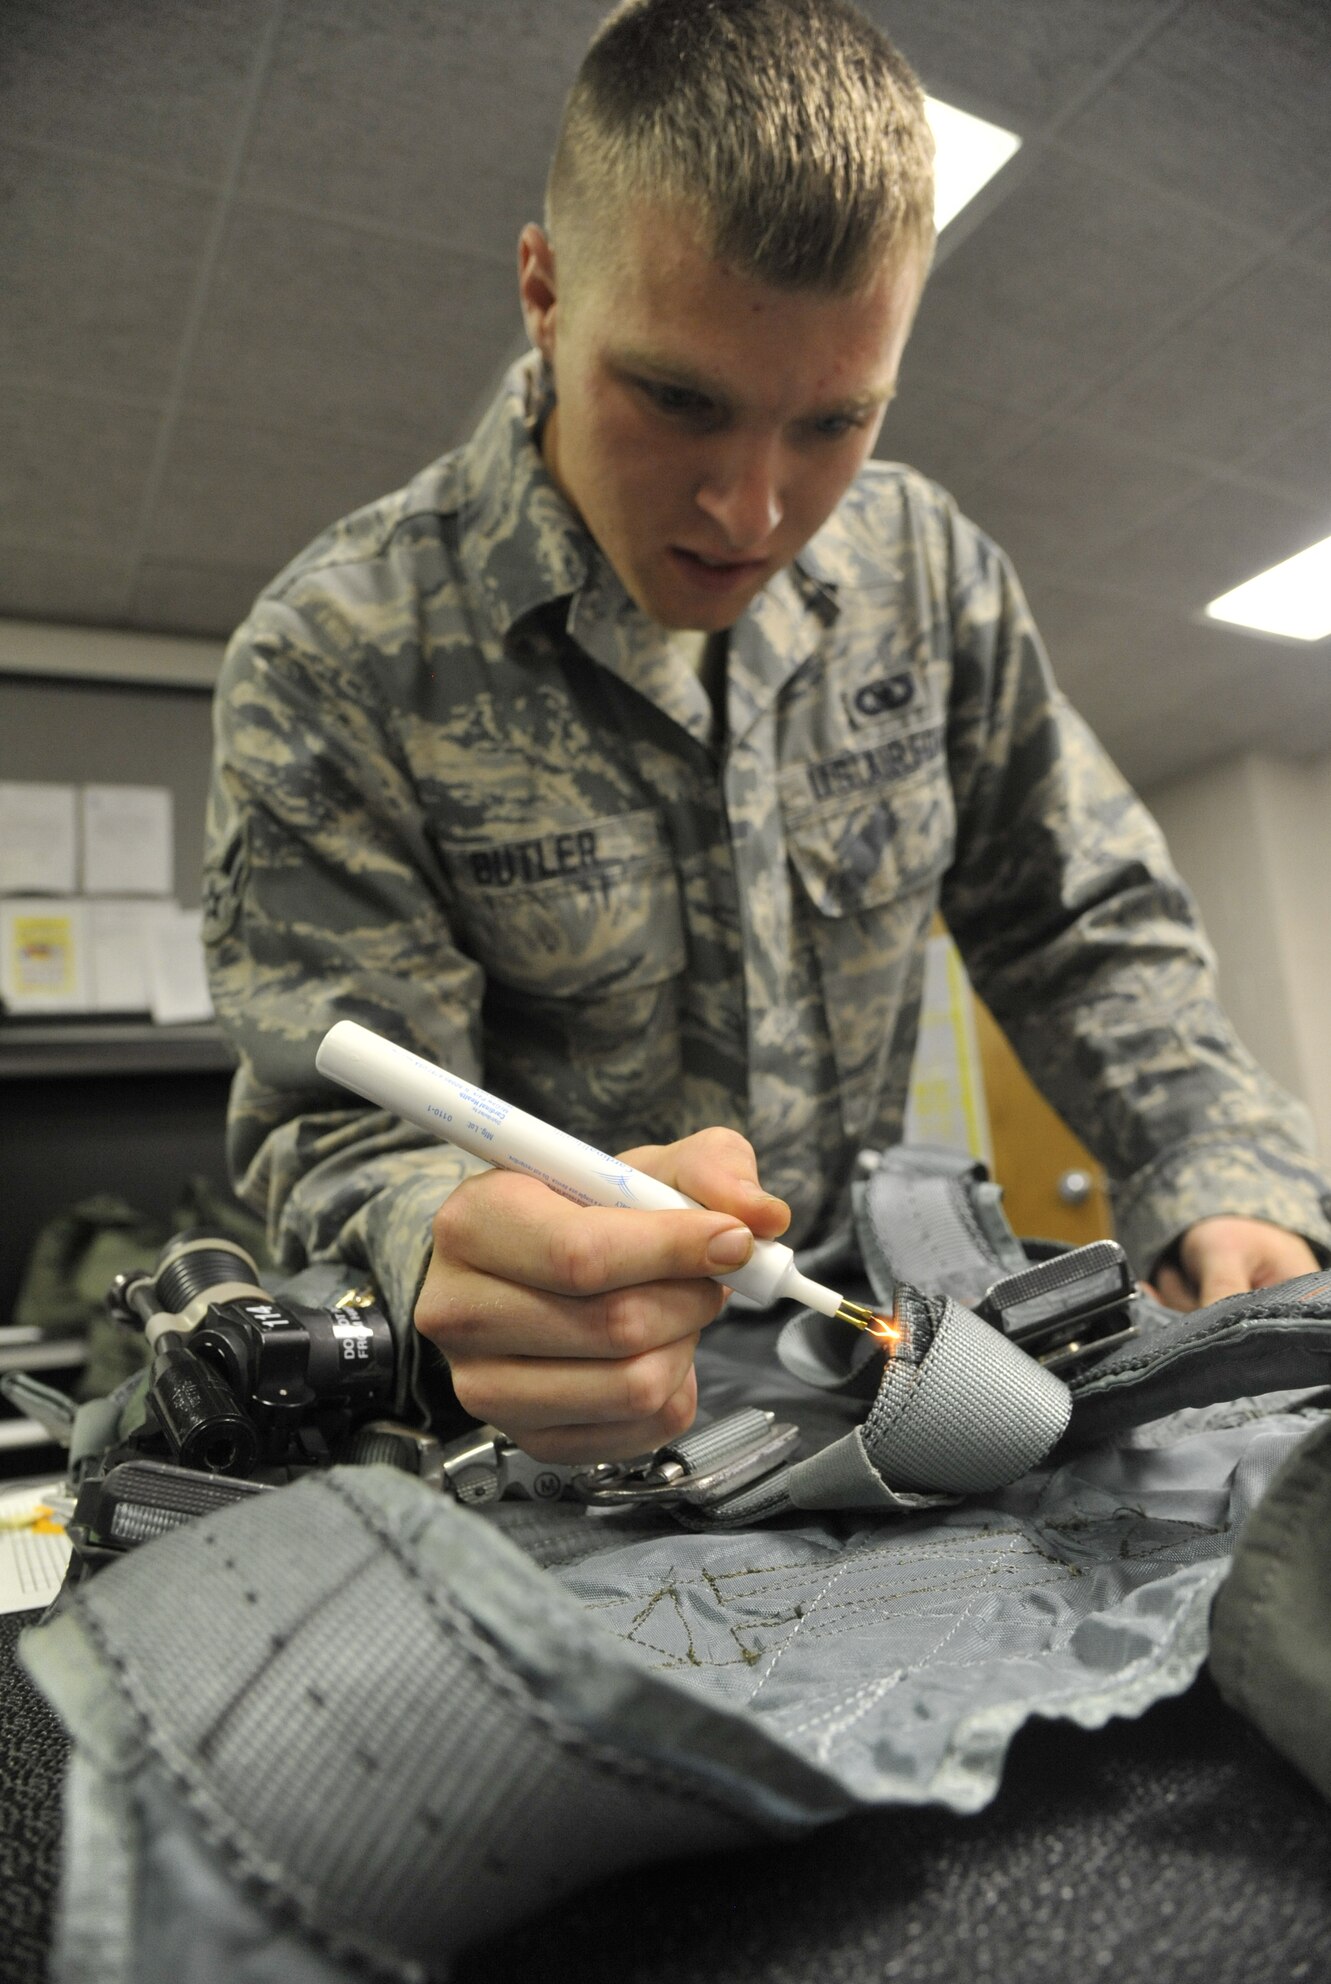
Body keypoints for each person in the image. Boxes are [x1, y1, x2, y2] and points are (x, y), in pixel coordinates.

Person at [203, 0, 1329, 1469]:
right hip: (537, 1420)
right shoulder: (338, 655)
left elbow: (1083, 930)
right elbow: (333, 1120)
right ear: (544, 293)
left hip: (862, 1354)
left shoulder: (929, 580)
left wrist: (1224, 1178)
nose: (752, 511)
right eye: (678, 398)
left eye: (835, 423)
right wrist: (450, 1252)